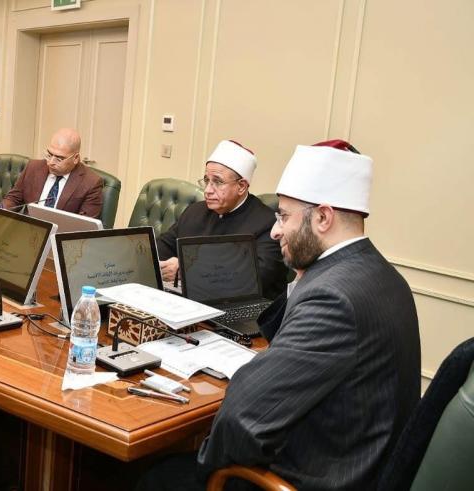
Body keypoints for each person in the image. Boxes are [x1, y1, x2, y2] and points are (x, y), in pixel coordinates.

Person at [137, 140, 421, 491]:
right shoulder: (382, 276)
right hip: (357, 461)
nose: (274, 231)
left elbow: (242, 418)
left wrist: (206, 468)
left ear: (323, 217)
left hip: (312, 476)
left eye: (283, 216)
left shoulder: (331, 297)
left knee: (154, 476)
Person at [156, 139, 286, 300]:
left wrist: (186, 271)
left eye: (217, 182)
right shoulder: (195, 211)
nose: (207, 190)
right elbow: (163, 246)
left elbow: (251, 279)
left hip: (246, 308)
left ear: (241, 186)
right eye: (206, 181)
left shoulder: (268, 224)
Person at [0, 127, 103, 218]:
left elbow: (84, 225)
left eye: (59, 158)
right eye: (49, 154)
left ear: (75, 158)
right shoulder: (33, 167)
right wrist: (3, 212)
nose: (50, 162)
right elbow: (13, 199)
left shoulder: (91, 183)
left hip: (61, 233)